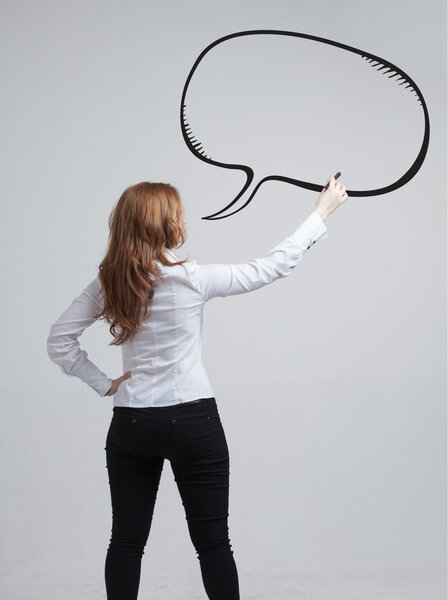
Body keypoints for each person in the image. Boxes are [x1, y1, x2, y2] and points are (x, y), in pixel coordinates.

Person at [46, 175, 348, 600]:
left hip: (133, 423)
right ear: (166, 224)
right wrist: (320, 213)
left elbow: (58, 340)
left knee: (126, 543)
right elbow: (274, 266)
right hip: (194, 422)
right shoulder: (194, 278)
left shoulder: (108, 283)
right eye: (179, 213)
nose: (184, 218)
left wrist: (104, 383)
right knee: (213, 545)